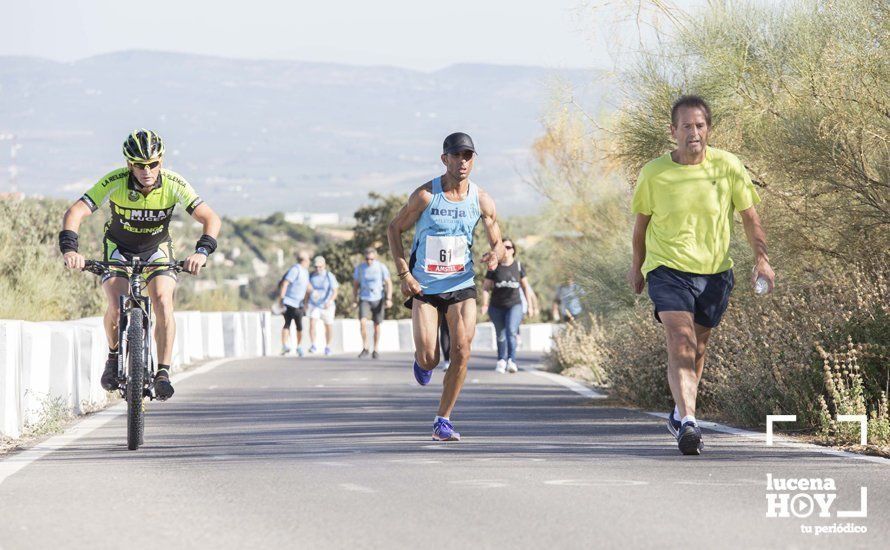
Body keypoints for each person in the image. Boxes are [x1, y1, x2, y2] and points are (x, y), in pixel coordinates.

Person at [627, 95, 775, 456]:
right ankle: (690, 423)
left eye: (700, 126)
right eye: (687, 126)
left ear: (708, 129)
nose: (694, 133)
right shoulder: (654, 173)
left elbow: (749, 216)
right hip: (667, 269)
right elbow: (640, 227)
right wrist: (637, 266)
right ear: (672, 131)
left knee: (698, 347)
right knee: (680, 340)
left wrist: (762, 259)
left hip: (714, 274)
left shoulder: (728, 166)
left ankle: (679, 411)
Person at [60, 129, 220, 400]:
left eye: (153, 164)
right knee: (116, 301)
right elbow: (75, 212)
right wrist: (70, 250)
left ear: (161, 161)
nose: (147, 170)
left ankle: (163, 373)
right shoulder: (115, 181)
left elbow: (210, 218)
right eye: (139, 165)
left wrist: (202, 252)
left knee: (162, 299)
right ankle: (113, 357)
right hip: (118, 249)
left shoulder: (173, 183)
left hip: (156, 250)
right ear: (128, 164)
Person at [387, 132, 504, 442]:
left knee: (463, 350)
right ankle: (421, 362)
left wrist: (495, 255)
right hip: (424, 287)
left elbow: (498, 242)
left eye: (468, 156)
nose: (463, 161)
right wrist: (404, 275)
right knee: (430, 358)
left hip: (462, 283)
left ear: (473, 160)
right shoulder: (426, 196)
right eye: (457, 155)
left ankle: (443, 419)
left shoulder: (481, 199)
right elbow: (394, 229)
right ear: (445, 159)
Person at [481, 238, 538, 373]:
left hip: (514, 305)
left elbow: (526, 288)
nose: (506, 250)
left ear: (513, 250)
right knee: (500, 335)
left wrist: (530, 306)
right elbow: (485, 287)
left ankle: (511, 361)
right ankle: (501, 360)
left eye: (508, 247)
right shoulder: (494, 267)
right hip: (496, 307)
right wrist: (484, 304)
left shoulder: (518, 266)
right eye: (503, 247)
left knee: (511, 331)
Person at [353, 247, 393, 359]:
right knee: (362, 322)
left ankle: (375, 349)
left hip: (378, 298)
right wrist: (354, 300)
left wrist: (389, 298)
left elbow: (388, 283)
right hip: (364, 298)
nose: (369, 261)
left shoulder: (381, 267)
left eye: (371, 259)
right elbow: (355, 284)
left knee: (376, 325)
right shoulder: (360, 268)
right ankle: (365, 347)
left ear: (375, 257)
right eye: (367, 259)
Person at [278, 251, 311, 356]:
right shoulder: (295, 269)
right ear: (304, 261)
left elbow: (306, 288)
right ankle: (284, 346)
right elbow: (285, 283)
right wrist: (281, 299)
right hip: (289, 301)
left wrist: (306, 303)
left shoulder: (305, 272)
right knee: (287, 323)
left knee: (299, 326)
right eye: (308, 260)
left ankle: (299, 346)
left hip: (299, 303)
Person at [307, 255, 339, 355]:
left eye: (320, 267)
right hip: (314, 304)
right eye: (316, 267)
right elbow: (307, 290)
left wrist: (329, 301)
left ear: (324, 266)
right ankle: (313, 345)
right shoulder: (311, 276)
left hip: (327, 305)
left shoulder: (329, 276)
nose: (318, 269)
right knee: (312, 322)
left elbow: (335, 291)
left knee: (328, 326)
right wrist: (305, 303)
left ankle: (328, 346)